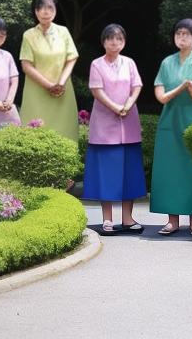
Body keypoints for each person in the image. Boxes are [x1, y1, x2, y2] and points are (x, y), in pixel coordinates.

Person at [150, 18, 192, 235]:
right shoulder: (167, 63)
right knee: (171, 170)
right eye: (178, 33)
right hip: (171, 120)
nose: (182, 37)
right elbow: (162, 98)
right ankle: (172, 220)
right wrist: (181, 87)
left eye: (186, 34)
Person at [85, 24, 146, 233]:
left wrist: (128, 105)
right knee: (106, 173)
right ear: (103, 42)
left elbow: (137, 86)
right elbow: (96, 90)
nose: (114, 42)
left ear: (124, 42)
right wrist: (115, 107)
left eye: (119, 39)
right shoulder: (97, 64)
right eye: (110, 39)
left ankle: (128, 218)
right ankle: (107, 219)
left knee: (129, 172)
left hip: (128, 123)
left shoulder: (129, 63)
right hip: (104, 125)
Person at [19, 0, 79, 142]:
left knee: (65, 133)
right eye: (41, 8)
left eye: (49, 8)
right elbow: (26, 65)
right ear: (35, 11)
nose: (45, 12)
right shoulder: (29, 35)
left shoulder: (63, 32)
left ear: (55, 10)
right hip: (36, 92)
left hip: (63, 91)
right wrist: (49, 85)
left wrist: (61, 83)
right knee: (35, 134)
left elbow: (72, 58)